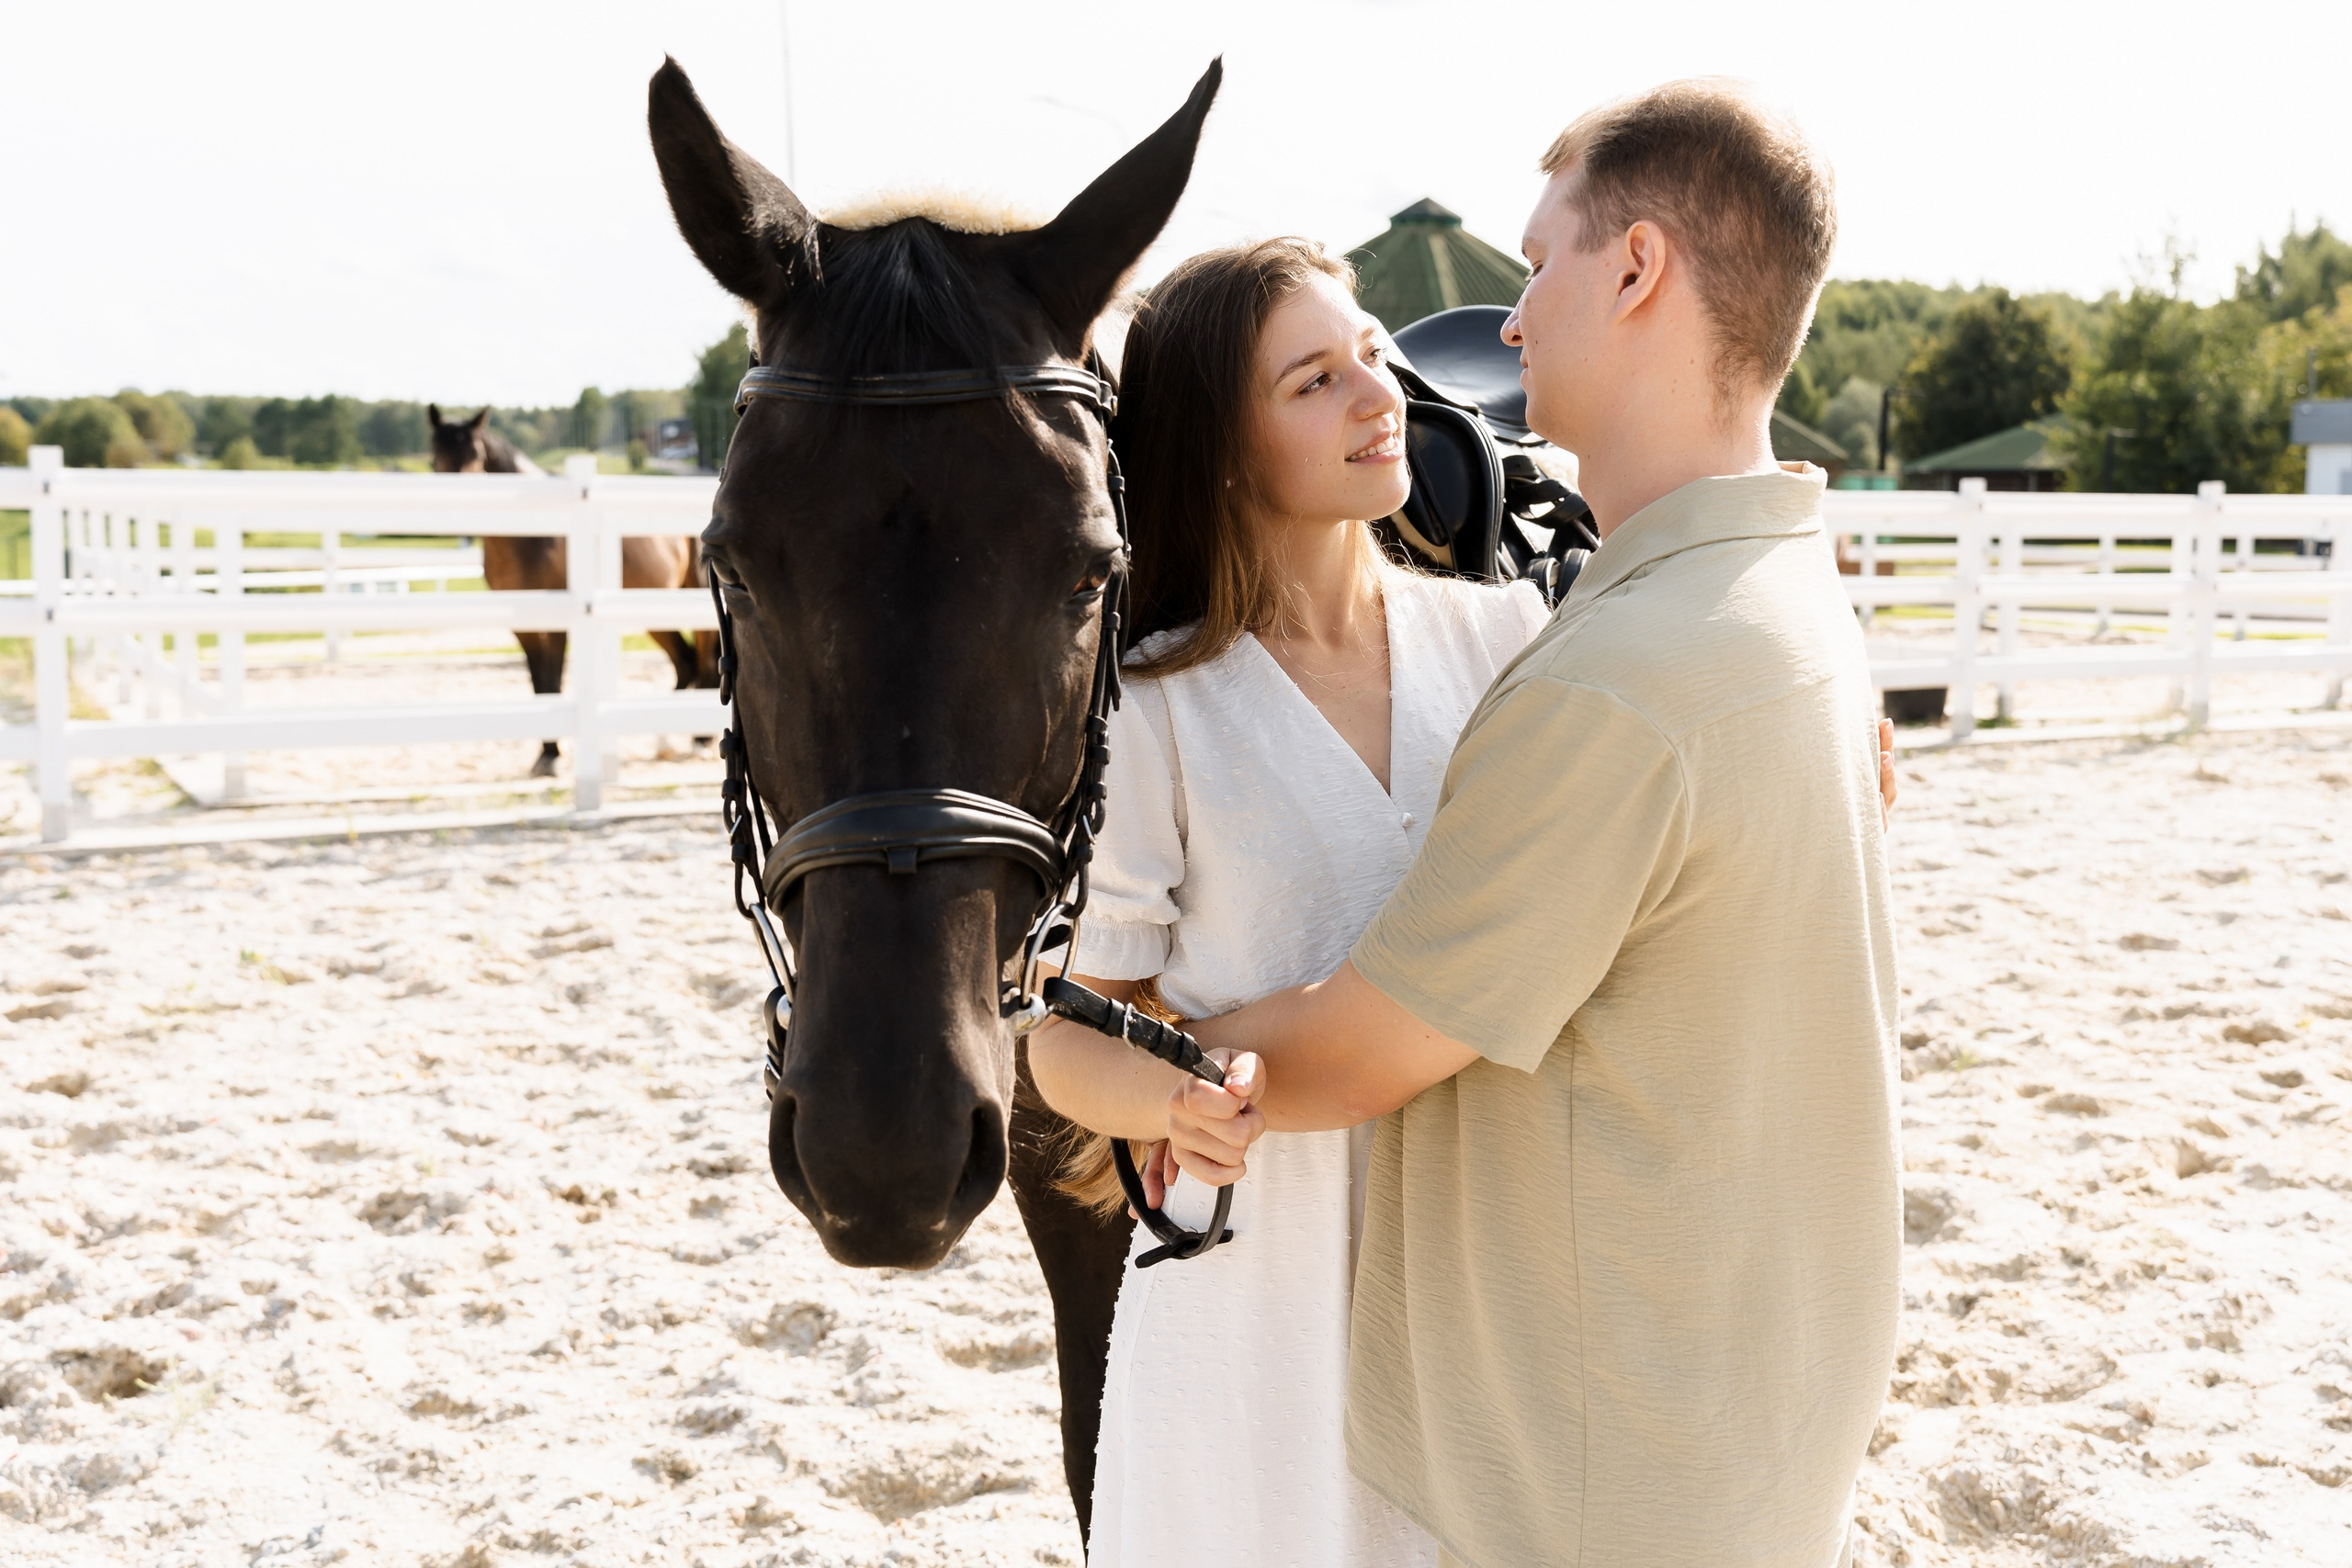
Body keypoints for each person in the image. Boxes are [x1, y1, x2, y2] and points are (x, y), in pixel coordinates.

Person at [1162, 83, 1902, 1568]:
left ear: (1635, 271)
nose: (1511, 320)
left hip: (1603, 1461)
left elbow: (1363, 1048)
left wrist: (1111, 1048)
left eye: (1542, 261)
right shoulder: (1789, 605)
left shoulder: (1624, 681)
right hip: (1756, 1395)